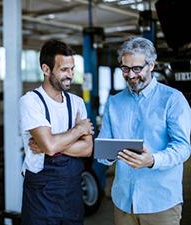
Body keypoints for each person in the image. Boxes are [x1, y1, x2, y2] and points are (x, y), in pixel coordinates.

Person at [98, 37, 191, 225]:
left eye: (137, 69)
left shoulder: (173, 99)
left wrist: (153, 160)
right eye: (125, 68)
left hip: (160, 203)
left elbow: (183, 148)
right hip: (123, 202)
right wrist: (106, 154)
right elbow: (103, 149)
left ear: (151, 65)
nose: (131, 75)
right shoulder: (114, 102)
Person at [18, 39, 94, 225]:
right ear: (46, 69)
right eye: (64, 70)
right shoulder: (31, 102)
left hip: (72, 192)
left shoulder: (76, 103)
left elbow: (87, 149)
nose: (70, 75)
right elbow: (50, 147)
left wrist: (51, 144)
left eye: (72, 69)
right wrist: (78, 130)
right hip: (41, 195)